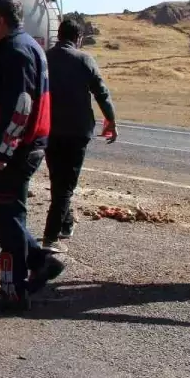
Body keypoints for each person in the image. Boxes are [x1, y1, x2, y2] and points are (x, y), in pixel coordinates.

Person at [0, 0, 64, 313]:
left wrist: (2, 152)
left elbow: (21, 107)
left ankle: (13, 292)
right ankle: (41, 261)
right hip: (22, 147)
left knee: (6, 215)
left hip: (18, 150)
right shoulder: (21, 46)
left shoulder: (15, 50)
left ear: (1, 20)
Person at [43, 18, 118, 253]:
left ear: (59, 35)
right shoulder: (85, 59)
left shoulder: (44, 58)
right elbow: (101, 93)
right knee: (66, 185)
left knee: (58, 180)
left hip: (48, 130)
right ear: (78, 38)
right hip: (77, 131)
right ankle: (50, 236)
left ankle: (66, 223)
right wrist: (111, 120)